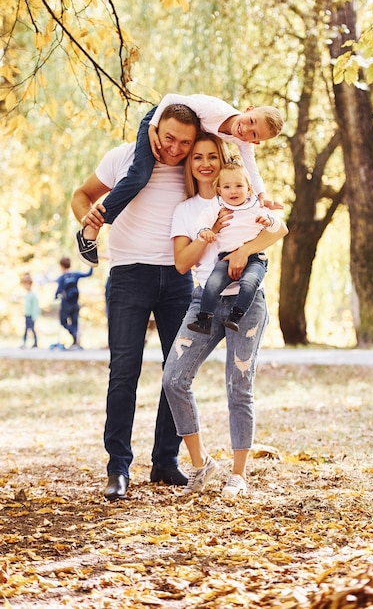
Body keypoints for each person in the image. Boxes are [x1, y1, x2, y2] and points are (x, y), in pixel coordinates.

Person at [70, 104, 200, 500]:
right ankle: (118, 468)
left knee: (175, 373)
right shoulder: (123, 158)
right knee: (124, 371)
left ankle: (165, 462)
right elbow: (81, 195)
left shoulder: (193, 166)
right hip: (128, 276)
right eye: (169, 137)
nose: (175, 148)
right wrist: (87, 220)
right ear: (155, 128)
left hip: (178, 279)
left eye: (185, 142)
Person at [161, 131, 288, 498]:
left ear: (222, 162)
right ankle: (202, 465)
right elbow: (183, 263)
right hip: (205, 300)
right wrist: (209, 233)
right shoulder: (187, 211)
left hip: (246, 304)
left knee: (239, 384)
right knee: (174, 379)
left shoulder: (249, 197)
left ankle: (238, 474)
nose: (204, 163)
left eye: (211, 156)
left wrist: (242, 252)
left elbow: (280, 229)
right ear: (191, 164)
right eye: (196, 157)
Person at [75, 93, 284, 267]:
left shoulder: (242, 143)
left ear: (255, 141)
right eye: (251, 121)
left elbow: (251, 172)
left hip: (185, 130)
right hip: (159, 117)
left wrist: (262, 198)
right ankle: (91, 230)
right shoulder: (214, 109)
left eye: (253, 133)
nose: (245, 129)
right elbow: (170, 98)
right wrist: (152, 127)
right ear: (248, 109)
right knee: (139, 175)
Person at [187, 160, 281, 335]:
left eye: (239, 185)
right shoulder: (218, 205)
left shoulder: (255, 205)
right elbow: (203, 219)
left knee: (249, 282)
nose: (233, 191)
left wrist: (268, 221)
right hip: (226, 256)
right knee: (213, 283)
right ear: (219, 190)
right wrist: (205, 230)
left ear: (249, 189)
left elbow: (277, 226)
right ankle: (204, 319)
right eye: (227, 187)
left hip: (254, 258)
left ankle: (236, 315)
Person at [55, 257, 93, 347]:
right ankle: (76, 340)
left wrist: (56, 296)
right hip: (75, 303)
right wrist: (92, 264)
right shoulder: (75, 274)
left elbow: (58, 290)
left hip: (66, 304)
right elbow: (88, 274)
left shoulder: (62, 277)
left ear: (61, 266)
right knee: (75, 322)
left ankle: (73, 333)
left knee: (63, 322)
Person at [20, 273, 40, 349]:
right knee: (26, 329)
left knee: (32, 329)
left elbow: (35, 307)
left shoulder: (32, 295)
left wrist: (34, 316)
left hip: (31, 315)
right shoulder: (27, 295)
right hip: (27, 314)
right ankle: (24, 342)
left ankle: (35, 342)